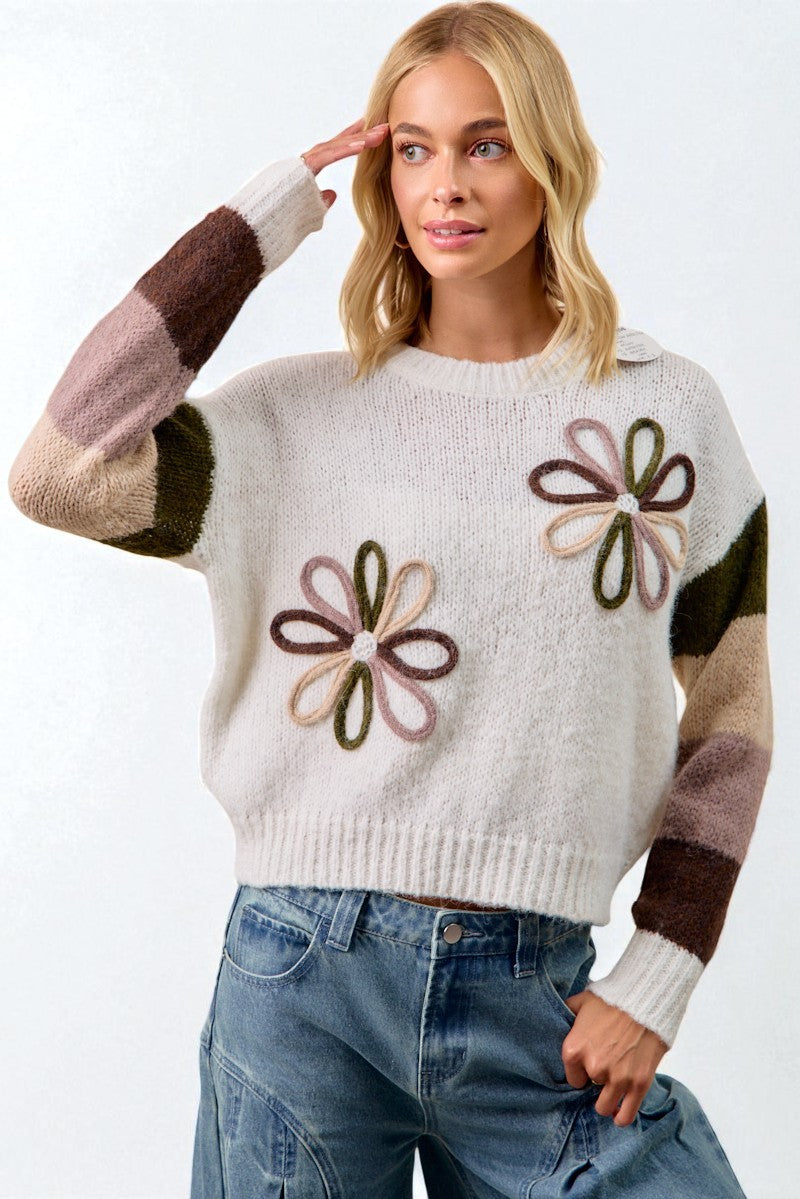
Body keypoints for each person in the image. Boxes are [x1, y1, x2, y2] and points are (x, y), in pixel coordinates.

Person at [8, 2, 771, 1195]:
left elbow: (729, 711)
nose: (445, 186)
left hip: (542, 1000)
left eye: (485, 142)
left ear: (549, 161)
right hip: (299, 982)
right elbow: (59, 471)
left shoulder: (662, 418)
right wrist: (251, 232)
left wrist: (660, 966)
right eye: (411, 149)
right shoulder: (290, 419)